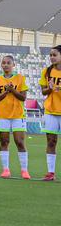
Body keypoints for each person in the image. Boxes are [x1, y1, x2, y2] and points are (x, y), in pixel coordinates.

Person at [0, 55, 29, 179]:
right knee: (4, 141)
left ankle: (24, 170)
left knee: (19, 142)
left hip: (18, 114)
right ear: (1, 65)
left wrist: (12, 90)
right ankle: (5, 169)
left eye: (8, 63)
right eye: (3, 63)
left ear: (13, 65)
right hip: (2, 115)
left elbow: (23, 97)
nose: (6, 65)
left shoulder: (20, 78)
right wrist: (6, 91)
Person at [40, 45, 61, 181]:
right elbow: (43, 91)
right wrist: (50, 88)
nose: (52, 57)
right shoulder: (47, 72)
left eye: (55, 55)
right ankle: (50, 173)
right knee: (51, 141)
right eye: (51, 55)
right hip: (51, 111)